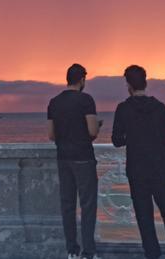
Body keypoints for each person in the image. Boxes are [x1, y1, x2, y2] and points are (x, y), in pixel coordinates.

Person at [111, 65, 165, 259]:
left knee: (144, 216)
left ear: (128, 85)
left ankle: (152, 254)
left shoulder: (123, 109)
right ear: (146, 82)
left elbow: (117, 140)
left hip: (137, 169)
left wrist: (133, 136)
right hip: (160, 167)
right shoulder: (159, 108)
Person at [47, 63, 101, 259]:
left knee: (67, 205)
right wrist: (97, 128)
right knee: (87, 206)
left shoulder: (54, 102)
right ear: (82, 80)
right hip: (84, 158)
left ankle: (71, 251)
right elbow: (92, 131)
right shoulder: (86, 100)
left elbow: (51, 135)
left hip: (63, 158)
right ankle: (88, 252)